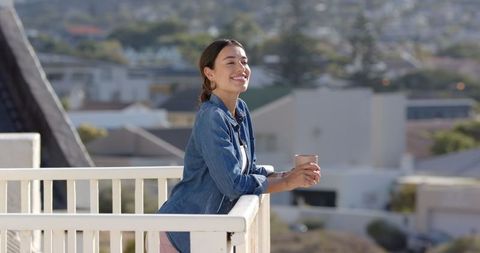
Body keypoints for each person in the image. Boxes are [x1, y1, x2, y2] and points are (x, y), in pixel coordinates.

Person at [157, 39, 321, 253]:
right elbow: (232, 185)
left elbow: (249, 171)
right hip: (183, 233)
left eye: (244, 62)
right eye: (230, 62)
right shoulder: (211, 117)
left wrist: (289, 175)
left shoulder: (240, 109)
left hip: (209, 234)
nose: (241, 68)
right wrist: (287, 183)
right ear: (210, 73)